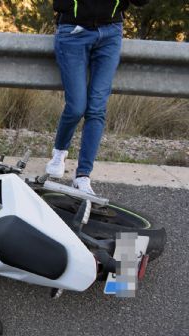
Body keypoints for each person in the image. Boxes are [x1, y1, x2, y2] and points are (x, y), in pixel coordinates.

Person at [46, 0, 149, 194]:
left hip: (110, 32)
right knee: (77, 107)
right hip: (73, 32)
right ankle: (59, 152)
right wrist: (72, 10)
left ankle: (83, 176)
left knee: (96, 109)